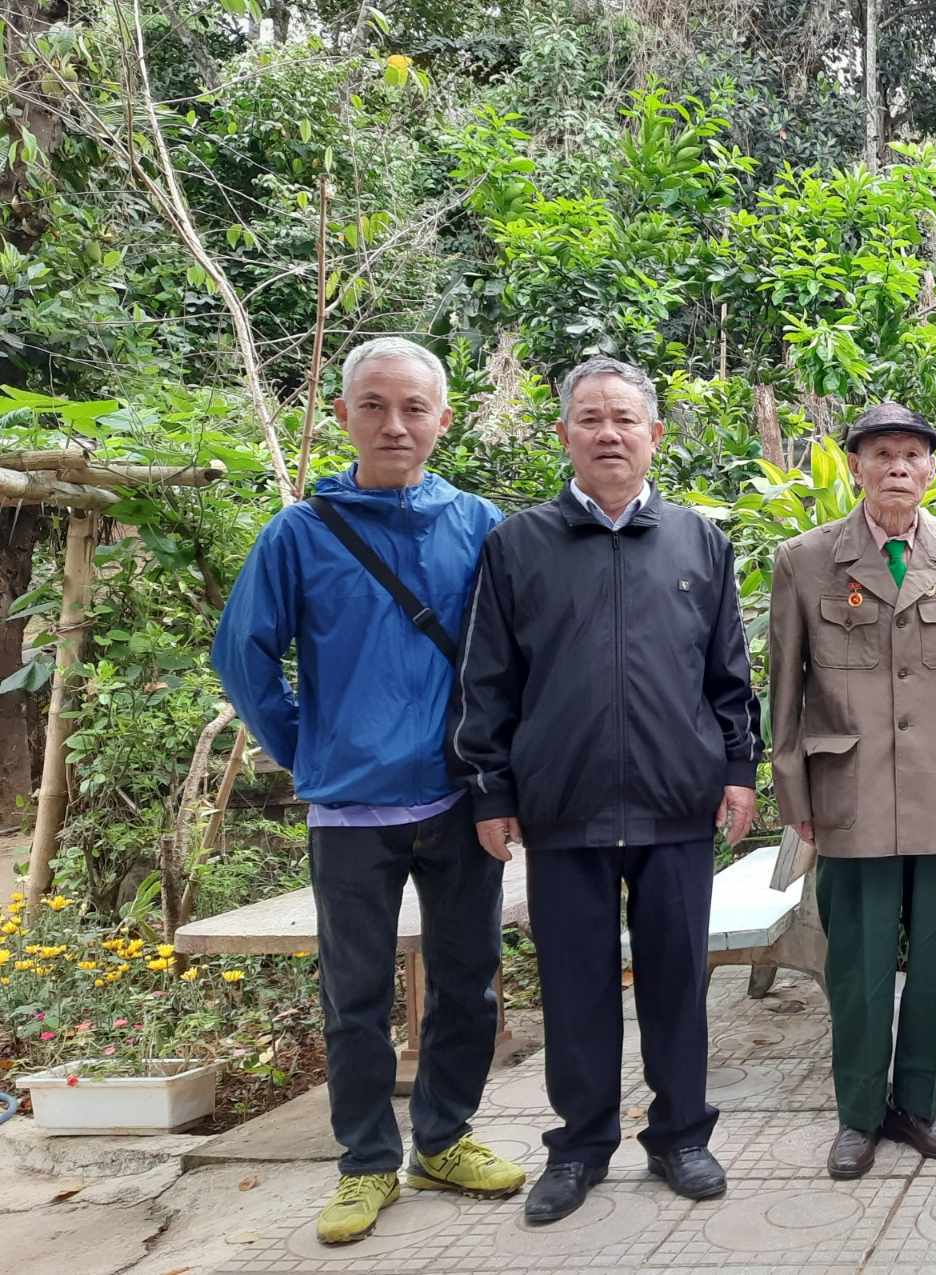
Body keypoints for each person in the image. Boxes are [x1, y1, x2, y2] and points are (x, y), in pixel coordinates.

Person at [213, 337, 523, 1246]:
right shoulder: (300, 533)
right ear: (343, 413)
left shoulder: (481, 526)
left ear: (443, 418)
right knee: (354, 992)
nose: (395, 424)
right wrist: (309, 746)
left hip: (460, 800)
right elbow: (245, 654)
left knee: (468, 981)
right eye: (375, 405)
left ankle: (445, 1136)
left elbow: (511, 660)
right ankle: (363, 1161)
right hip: (349, 809)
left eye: (414, 407)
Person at [451, 356, 761, 1220]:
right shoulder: (518, 545)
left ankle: (681, 1137)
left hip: (676, 806)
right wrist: (490, 790)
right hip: (564, 809)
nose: (609, 433)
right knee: (576, 988)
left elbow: (729, 678)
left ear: (654, 433)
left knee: (675, 983)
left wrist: (739, 771)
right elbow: (488, 680)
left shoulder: (700, 541)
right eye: (590, 418)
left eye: (625, 418)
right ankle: (580, 1146)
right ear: (565, 435)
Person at [767, 402, 936, 1179]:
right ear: (856, 466)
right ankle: (858, 1115)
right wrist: (792, 793)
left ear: (932, 470)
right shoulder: (804, 561)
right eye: (881, 455)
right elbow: (786, 688)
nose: (897, 467)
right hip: (849, 789)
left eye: (911, 455)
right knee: (858, 965)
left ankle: (919, 1106)